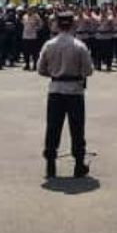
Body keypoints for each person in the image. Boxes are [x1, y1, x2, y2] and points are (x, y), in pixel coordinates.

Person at [36, 11, 94, 180]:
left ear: (58, 25)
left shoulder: (49, 45)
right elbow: (88, 71)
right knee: (77, 128)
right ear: (73, 25)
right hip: (75, 91)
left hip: (55, 89)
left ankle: (50, 164)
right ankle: (78, 165)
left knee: (53, 127)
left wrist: (55, 74)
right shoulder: (79, 46)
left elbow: (41, 69)